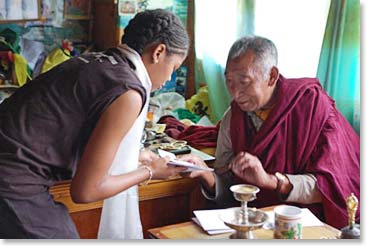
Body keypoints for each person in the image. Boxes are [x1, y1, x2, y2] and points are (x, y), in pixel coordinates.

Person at [0, 9, 189, 239]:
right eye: (174, 68)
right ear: (158, 52)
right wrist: (149, 171)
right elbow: (86, 190)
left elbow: (66, 123)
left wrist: (134, 156)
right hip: (12, 175)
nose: (169, 78)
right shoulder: (129, 91)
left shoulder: (97, 61)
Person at [181, 36, 360, 229]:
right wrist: (204, 173)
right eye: (229, 81)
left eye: (244, 82)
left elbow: (333, 187)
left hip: (312, 224)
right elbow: (229, 189)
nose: (235, 93)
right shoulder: (234, 118)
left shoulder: (313, 107)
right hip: (258, 222)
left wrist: (271, 181)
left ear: (272, 76)